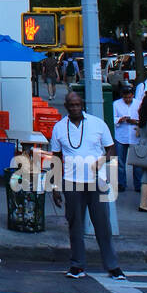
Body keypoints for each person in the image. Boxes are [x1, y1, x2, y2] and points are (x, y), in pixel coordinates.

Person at [48, 90, 124, 280]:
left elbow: (111, 149)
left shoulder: (97, 124)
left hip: (96, 181)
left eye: (78, 105)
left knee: (102, 225)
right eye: (71, 105)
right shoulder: (59, 128)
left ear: (82, 105)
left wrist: (102, 161)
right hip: (71, 181)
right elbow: (55, 158)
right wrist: (55, 187)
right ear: (66, 107)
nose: (75, 108)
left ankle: (112, 266)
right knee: (75, 226)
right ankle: (77, 265)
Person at [112, 82, 140, 194]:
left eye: (129, 97)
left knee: (137, 163)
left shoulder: (139, 104)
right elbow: (112, 118)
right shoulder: (116, 104)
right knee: (120, 161)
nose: (127, 99)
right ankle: (121, 183)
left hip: (134, 135)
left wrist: (135, 122)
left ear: (133, 95)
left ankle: (138, 184)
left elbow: (143, 119)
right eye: (125, 98)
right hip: (121, 135)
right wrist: (120, 119)